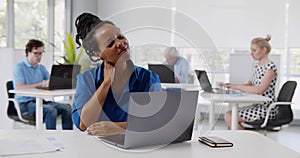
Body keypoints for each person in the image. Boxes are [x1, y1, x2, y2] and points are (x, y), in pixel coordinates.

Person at [72, 13, 161, 136]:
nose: (120, 43)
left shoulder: (148, 78)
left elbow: (156, 122)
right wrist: (106, 83)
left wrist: (118, 128)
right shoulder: (86, 79)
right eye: (110, 44)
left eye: (120, 36)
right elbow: (84, 124)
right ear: (97, 53)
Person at [13, 39, 73, 130]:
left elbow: (50, 80)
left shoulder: (40, 68)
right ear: (28, 52)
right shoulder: (19, 67)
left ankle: (68, 137)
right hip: (24, 104)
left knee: (67, 108)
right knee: (50, 110)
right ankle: (51, 140)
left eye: (41, 53)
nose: (39, 56)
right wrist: (41, 83)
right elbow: (19, 86)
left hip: (40, 101)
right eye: (36, 53)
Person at [221, 35, 277, 130]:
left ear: (264, 50)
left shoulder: (270, 68)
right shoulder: (257, 66)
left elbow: (259, 90)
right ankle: (244, 140)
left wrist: (237, 86)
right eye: (251, 50)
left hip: (266, 108)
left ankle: (245, 142)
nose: (251, 53)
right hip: (257, 106)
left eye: (254, 50)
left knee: (230, 116)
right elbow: (249, 85)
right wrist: (230, 86)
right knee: (229, 114)